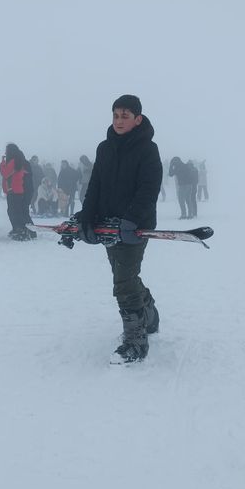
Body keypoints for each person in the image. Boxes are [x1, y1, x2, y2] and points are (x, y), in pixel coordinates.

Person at [75, 94, 161, 364]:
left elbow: (149, 189)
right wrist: (87, 217)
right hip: (107, 225)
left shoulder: (148, 149)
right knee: (124, 275)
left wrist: (132, 220)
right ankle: (148, 310)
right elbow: (95, 185)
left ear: (138, 119)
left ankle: (136, 341)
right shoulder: (104, 148)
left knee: (123, 281)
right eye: (115, 115)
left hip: (135, 226)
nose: (119, 120)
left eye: (125, 115)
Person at [0, 143, 34, 240]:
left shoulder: (14, 162)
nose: (5, 153)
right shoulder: (22, 162)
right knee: (20, 211)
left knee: (16, 212)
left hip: (16, 190)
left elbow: (5, 173)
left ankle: (22, 230)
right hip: (22, 190)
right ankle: (25, 230)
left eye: (6, 151)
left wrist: (2, 163)